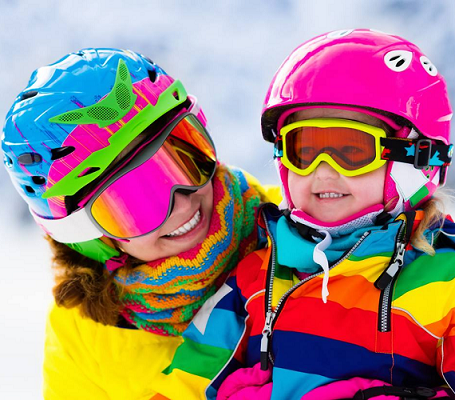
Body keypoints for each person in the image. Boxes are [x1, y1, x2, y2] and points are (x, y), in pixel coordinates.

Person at [150, 29, 455, 399]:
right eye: (304, 148)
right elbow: (185, 384)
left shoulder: (444, 282)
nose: (323, 170)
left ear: (416, 158)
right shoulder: (256, 277)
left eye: (352, 149)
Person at [1, 48, 279, 399]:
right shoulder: (86, 339)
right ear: (89, 236)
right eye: (137, 201)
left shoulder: (304, 239)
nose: (182, 203)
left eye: (184, 158)